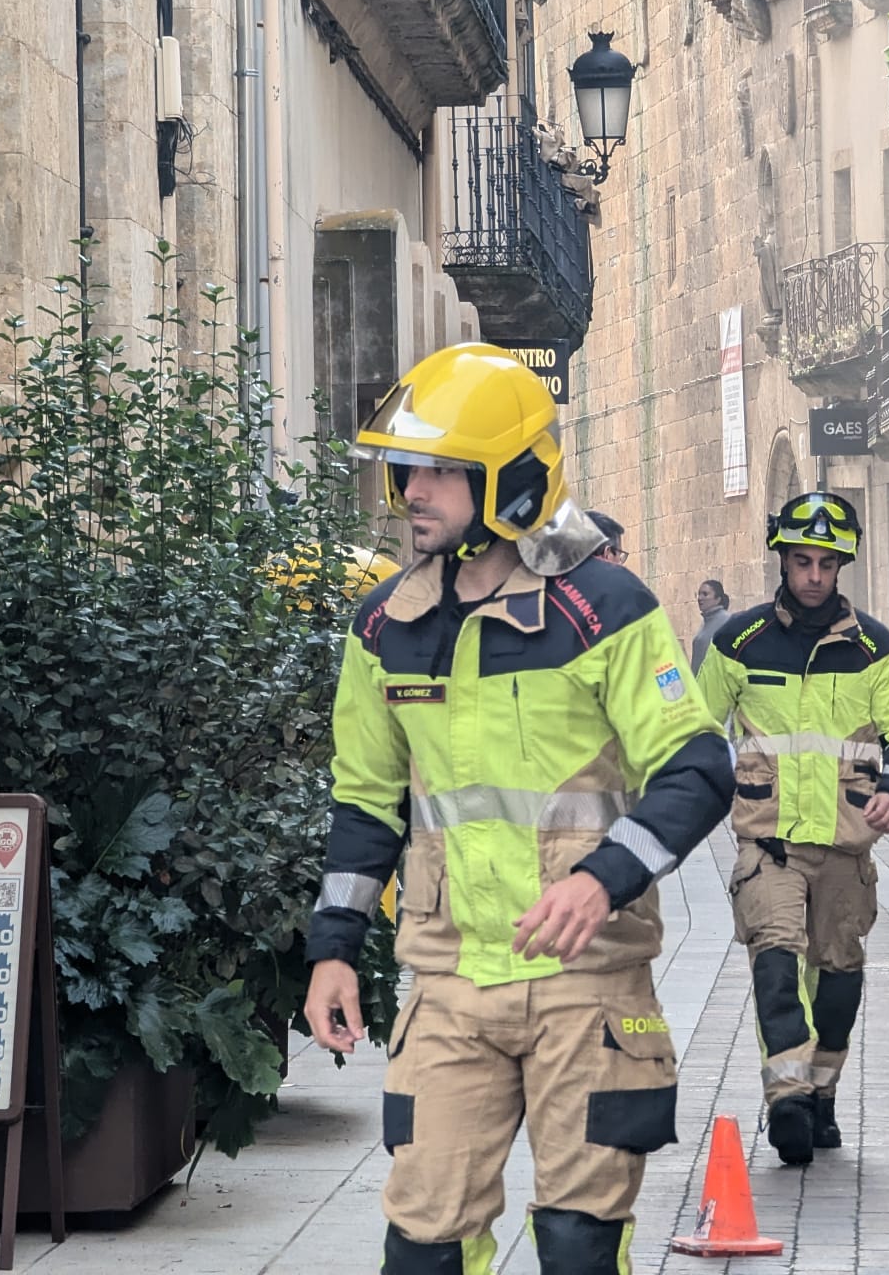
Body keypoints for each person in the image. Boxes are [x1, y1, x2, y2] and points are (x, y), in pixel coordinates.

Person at [303, 344, 734, 1275]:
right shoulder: (383, 628)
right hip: (451, 986)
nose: (411, 490)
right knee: (423, 1248)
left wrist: (602, 880)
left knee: (579, 1247)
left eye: (439, 471)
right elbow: (366, 805)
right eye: (404, 468)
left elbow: (697, 767)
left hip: (588, 984)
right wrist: (334, 948)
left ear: (512, 478)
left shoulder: (605, 606)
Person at [697, 492, 889, 1165]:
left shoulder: (875, 649)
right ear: (783, 561)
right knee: (774, 961)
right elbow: (694, 731)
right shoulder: (739, 642)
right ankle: (788, 1096)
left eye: (827, 564)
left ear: (841, 567)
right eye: (802, 562)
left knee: (838, 979)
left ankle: (822, 1096)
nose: (815, 577)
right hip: (768, 844)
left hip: (846, 847)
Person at [692, 578, 731, 671]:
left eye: (705, 594)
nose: (700, 598)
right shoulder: (705, 622)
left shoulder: (727, 621)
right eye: (699, 594)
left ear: (717, 599)